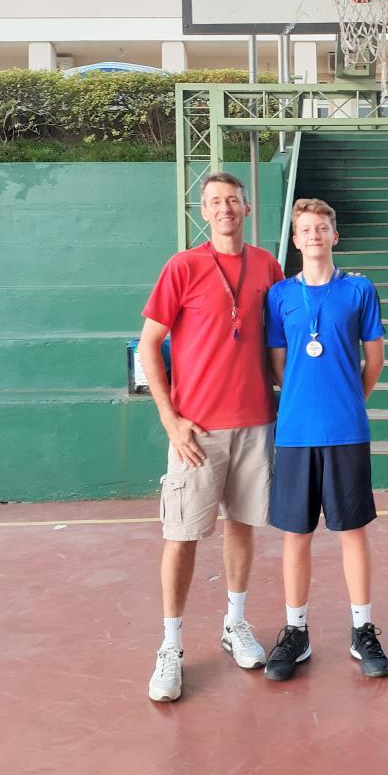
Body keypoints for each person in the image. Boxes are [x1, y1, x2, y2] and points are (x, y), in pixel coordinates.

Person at [140, 172, 283, 702]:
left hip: (256, 424)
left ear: (247, 207)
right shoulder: (182, 266)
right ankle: (171, 645)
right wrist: (170, 421)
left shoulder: (267, 265)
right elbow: (149, 345)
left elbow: (275, 344)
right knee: (181, 538)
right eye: (214, 202)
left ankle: (235, 623)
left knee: (243, 526)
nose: (224, 208)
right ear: (204, 212)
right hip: (197, 432)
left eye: (232, 200)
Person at [263, 197, 388, 681]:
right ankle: (296, 631)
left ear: (334, 236)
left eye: (322, 228)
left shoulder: (359, 290)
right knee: (296, 534)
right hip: (295, 432)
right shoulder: (279, 296)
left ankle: (363, 629)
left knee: (352, 530)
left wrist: (349, 399)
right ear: (295, 240)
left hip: (346, 430)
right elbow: (278, 365)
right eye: (306, 229)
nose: (314, 235)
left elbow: (374, 360)